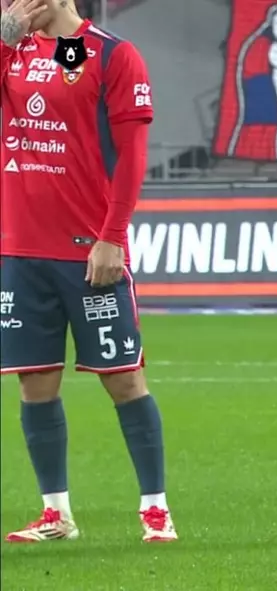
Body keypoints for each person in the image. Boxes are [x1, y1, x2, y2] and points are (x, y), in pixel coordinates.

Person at [0, 0, 177, 543]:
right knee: (35, 382)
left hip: (87, 249)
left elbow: (132, 154)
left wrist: (112, 237)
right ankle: (56, 513)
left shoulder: (110, 55)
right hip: (20, 250)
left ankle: (155, 510)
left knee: (123, 378)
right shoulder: (12, 51)